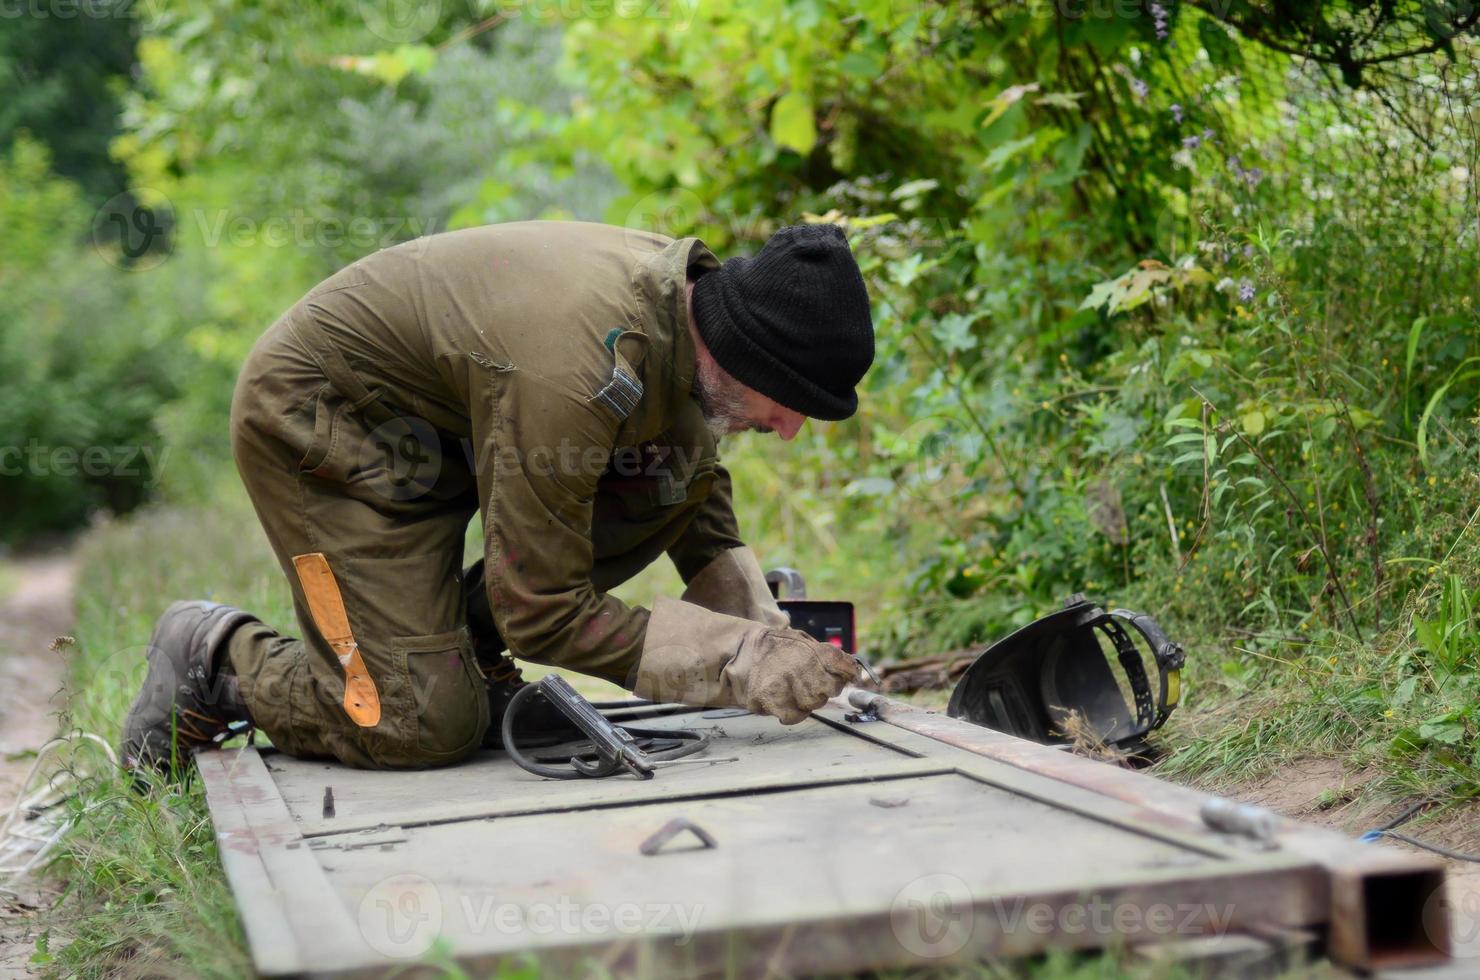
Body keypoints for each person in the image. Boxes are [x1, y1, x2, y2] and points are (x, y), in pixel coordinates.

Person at [120, 220, 874, 772]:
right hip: (329, 427)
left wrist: (773, 636)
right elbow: (542, 611)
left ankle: (470, 658)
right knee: (415, 724)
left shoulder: (691, 319)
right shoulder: (577, 369)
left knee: (667, 475)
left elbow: (692, 490)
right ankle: (214, 656)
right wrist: (742, 659)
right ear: (740, 352)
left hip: (450, 432)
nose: (790, 430)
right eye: (789, 401)